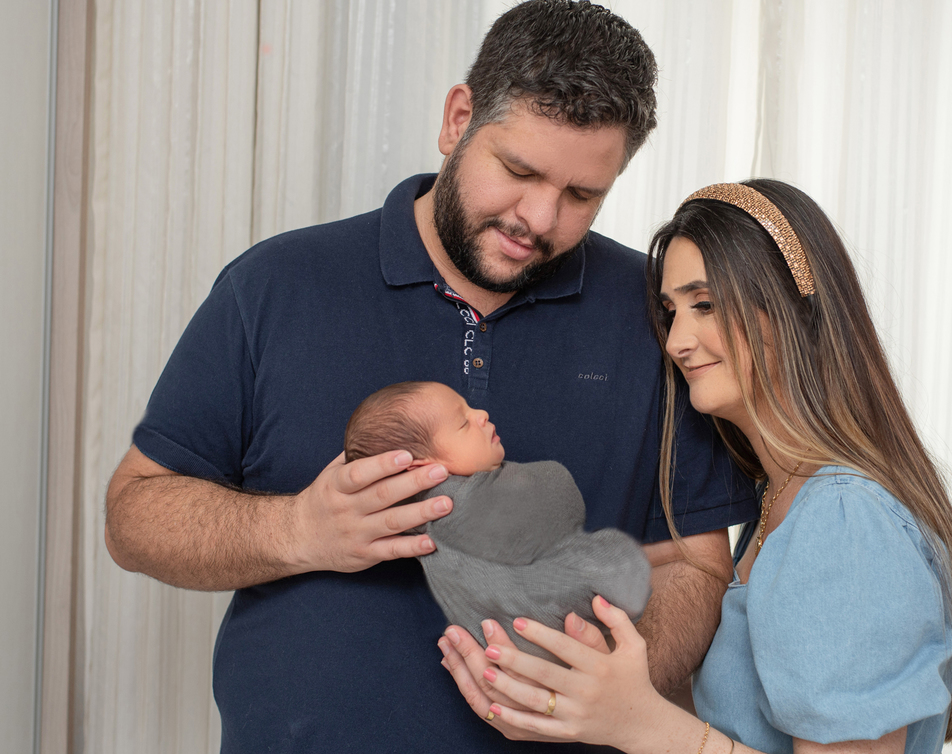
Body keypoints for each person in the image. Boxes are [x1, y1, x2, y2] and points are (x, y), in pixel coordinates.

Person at [102, 1, 756, 751]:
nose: (539, 219)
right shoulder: (277, 286)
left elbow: (693, 564)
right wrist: (297, 530)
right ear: (458, 120)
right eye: (519, 171)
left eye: (582, 195)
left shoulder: (659, 316)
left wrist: (607, 692)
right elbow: (135, 513)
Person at [450, 180, 952, 753]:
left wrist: (634, 721)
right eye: (671, 312)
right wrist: (581, 694)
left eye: (705, 305)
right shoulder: (783, 502)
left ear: (792, 309)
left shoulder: (843, 519)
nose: (677, 341)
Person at [344, 381, 652, 662]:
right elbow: (561, 496)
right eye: (463, 422)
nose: (481, 414)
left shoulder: (414, 520)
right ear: (422, 470)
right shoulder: (457, 504)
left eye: (470, 408)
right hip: (553, 619)